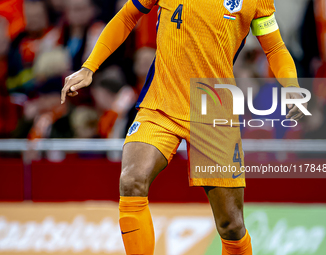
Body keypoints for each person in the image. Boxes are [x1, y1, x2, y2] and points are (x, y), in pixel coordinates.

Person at [62, 0, 307, 254]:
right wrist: (89, 66)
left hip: (213, 113)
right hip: (162, 104)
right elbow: (127, 16)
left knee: (231, 225)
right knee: (132, 180)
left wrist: (291, 86)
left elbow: (275, 47)